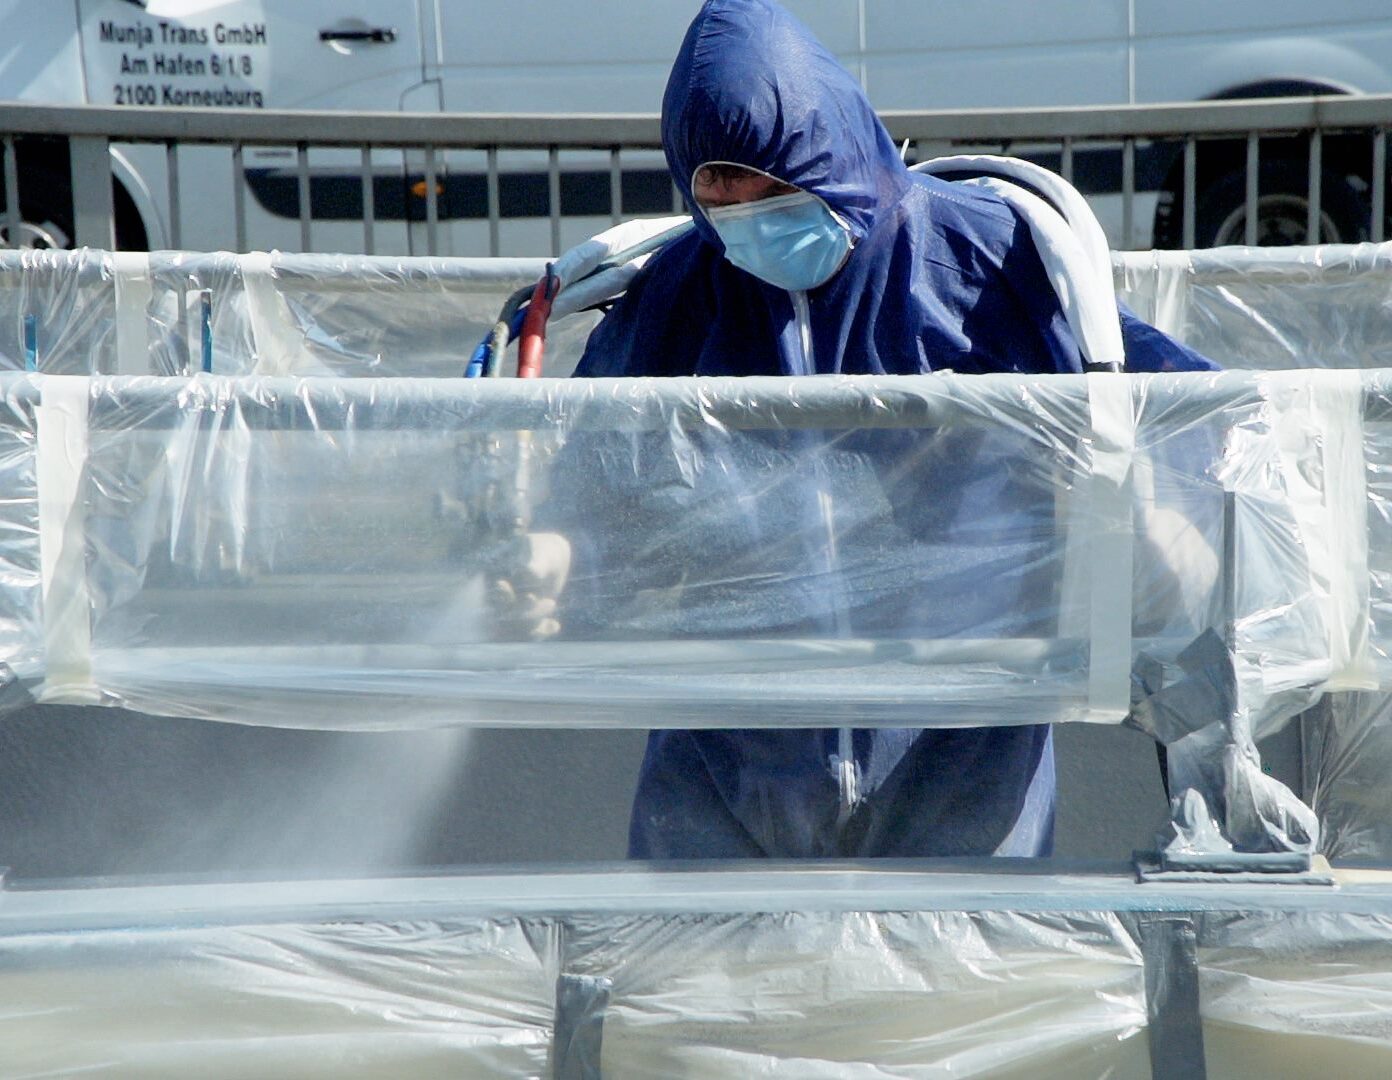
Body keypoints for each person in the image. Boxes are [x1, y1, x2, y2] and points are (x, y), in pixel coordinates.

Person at [547, 0, 1216, 860]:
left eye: (771, 182)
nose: (744, 208)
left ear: (826, 152)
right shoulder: (685, 288)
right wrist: (559, 554)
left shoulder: (988, 257)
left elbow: (1182, 406)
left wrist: (1156, 508)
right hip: (733, 752)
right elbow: (589, 477)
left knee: (959, 986)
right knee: (704, 988)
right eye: (716, 184)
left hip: (962, 744)